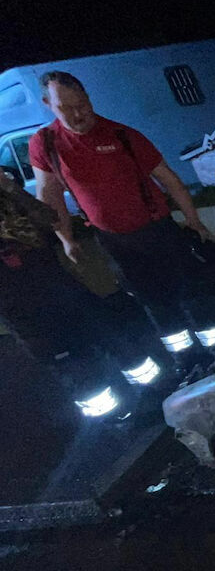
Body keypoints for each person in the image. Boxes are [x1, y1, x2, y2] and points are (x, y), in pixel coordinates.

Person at [27, 71, 215, 370]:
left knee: (191, 291)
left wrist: (193, 221)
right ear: (48, 104)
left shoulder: (121, 135)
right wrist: (66, 239)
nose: (78, 114)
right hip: (113, 240)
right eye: (66, 108)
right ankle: (187, 360)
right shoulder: (45, 143)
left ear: (89, 98)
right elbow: (49, 195)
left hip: (157, 229)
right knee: (153, 302)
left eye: (82, 104)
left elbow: (169, 180)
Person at [0, 165, 153, 419]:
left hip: (66, 293)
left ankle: (155, 392)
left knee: (117, 342)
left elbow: (50, 219)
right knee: (79, 372)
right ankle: (115, 418)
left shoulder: (10, 201)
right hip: (27, 316)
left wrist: (10, 187)